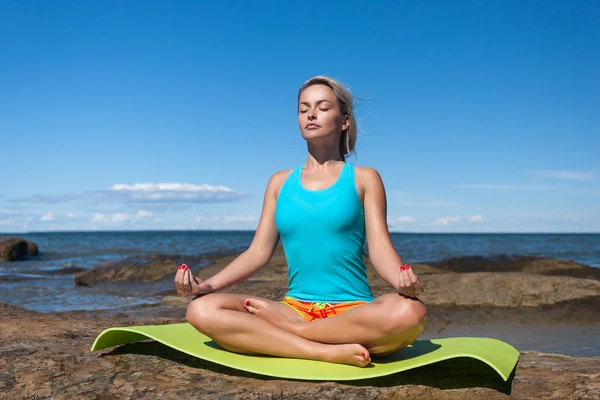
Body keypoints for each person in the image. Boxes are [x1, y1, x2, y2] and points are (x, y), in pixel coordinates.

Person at [174, 75, 427, 367]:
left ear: (344, 121)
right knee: (201, 310)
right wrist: (206, 286)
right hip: (294, 308)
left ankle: (294, 335)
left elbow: (380, 248)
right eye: (303, 108)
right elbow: (257, 252)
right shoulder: (280, 183)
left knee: (410, 312)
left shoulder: (364, 178)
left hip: (352, 313)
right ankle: (321, 350)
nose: (311, 113)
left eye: (322, 107)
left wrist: (402, 281)